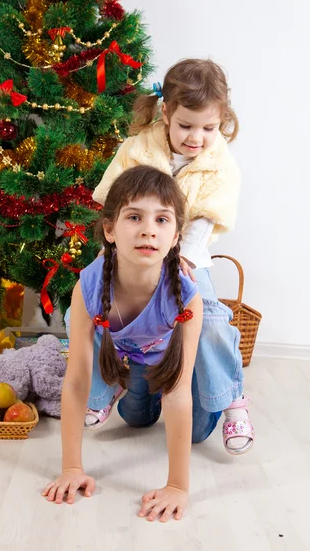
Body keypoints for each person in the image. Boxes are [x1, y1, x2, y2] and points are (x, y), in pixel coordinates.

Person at [88, 59, 254, 455]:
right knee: (97, 305)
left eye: (208, 128)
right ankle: (103, 390)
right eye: (186, 126)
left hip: (185, 254)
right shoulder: (137, 148)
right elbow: (112, 204)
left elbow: (206, 220)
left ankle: (232, 401)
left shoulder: (220, 163)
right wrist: (117, 257)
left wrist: (186, 261)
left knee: (210, 315)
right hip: (130, 253)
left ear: (221, 122)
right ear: (166, 113)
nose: (196, 137)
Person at [44, 166, 211, 521]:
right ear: (110, 229)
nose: (149, 229)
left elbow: (178, 392)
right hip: (132, 358)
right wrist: (71, 467)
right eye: (134, 217)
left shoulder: (186, 298)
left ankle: (222, 398)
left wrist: (177, 486)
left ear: (176, 236)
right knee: (136, 418)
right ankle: (127, 393)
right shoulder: (87, 288)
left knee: (195, 429)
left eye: (162, 220)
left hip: (173, 365)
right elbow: (75, 382)